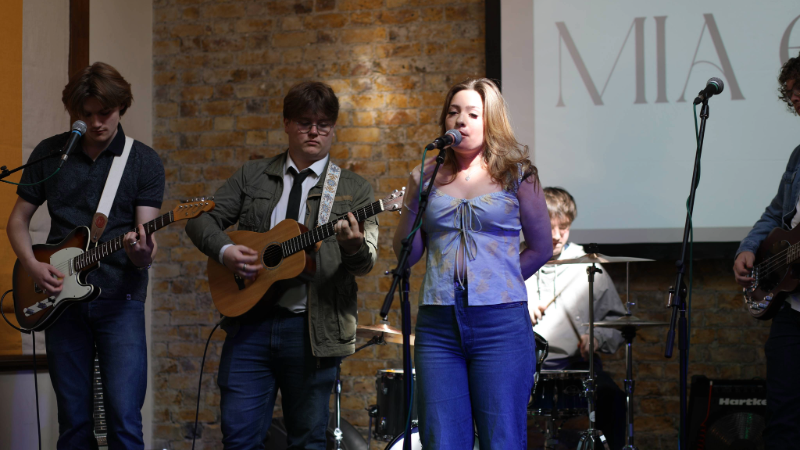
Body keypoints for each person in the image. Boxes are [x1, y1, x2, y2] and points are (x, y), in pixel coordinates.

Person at [184, 81, 379, 449]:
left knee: (307, 442)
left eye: (324, 123)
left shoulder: (354, 189)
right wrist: (226, 251)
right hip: (249, 326)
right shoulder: (253, 175)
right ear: (286, 123)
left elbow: (365, 262)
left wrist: (353, 246)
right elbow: (199, 220)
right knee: (239, 439)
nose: (314, 131)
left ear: (334, 128)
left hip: (311, 333)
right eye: (305, 121)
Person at [6, 62, 165, 449]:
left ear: (121, 106)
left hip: (120, 300)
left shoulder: (143, 160)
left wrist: (142, 253)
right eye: (87, 115)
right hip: (60, 301)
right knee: (73, 421)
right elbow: (17, 222)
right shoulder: (51, 153)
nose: (96, 123)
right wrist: (32, 265)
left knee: (124, 419)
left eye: (104, 113)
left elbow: (146, 244)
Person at [393, 78, 552, 449]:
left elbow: (541, 247)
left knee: (502, 439)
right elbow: (408, 253)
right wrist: (415, 193)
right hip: (438, 324)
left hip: (500, 323)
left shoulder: (518, 174)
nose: (460, 120)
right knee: (441, 438)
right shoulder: (428, 177)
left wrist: (500, 282)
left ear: (490, 120)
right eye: (453, 112)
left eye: (472, 113)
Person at [525, 186, 626, 449]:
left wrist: (598, 337)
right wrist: (517, 310)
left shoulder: (588, 265)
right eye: (549, 227)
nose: (557, 236)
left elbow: (620, 323)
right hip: (524, 368)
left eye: (565, 227)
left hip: (577, 368)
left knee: (612, 398)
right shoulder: (513, 262)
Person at [733, 51, 800, 447]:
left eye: (798, 89)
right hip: (791, 311)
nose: (793, 98)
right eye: (789, 92)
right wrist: (749, 247)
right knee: (783, 418)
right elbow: (776, 213)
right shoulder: (797, 157)